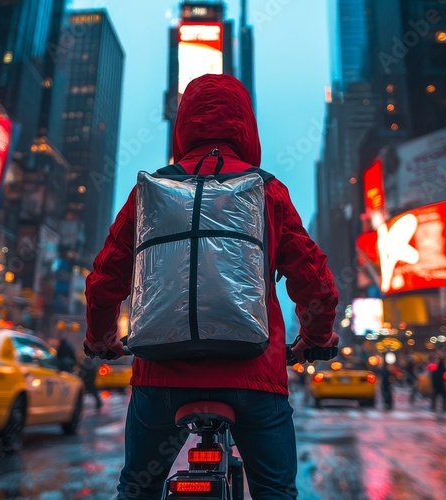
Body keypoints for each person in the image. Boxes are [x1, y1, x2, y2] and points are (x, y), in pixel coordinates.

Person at [84, 74, 339, 500]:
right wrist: (315, 338)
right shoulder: (268, 190)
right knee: (276, 491)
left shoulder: (151, 191)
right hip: (254, 378)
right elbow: (317, 285)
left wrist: (102, 339)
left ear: (184, 124)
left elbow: (105, 280)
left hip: (160, 380)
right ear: (247, 126)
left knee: (136, 488)